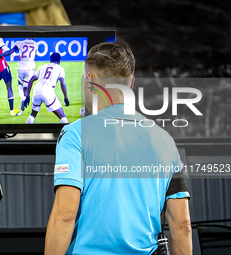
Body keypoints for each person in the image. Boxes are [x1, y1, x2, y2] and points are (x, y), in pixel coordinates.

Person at [45, 42, 192, 254]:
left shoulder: (75, 134)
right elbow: (182, 225)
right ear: (130, 84)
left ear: (90, 79)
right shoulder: (165, 140)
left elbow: (65, 214)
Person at [23, 52, 69, 124]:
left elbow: (31, 80)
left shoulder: (42, 67)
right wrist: (66, 97)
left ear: (50, 60)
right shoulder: (60, 69)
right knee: (62, 116)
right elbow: (62, 83)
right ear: (59, 61)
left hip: (36, 91)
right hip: (48, 92)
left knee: (33, 114)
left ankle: (24, 131)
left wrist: (27, 96)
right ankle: (67, 134)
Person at [1, 38, 38, 115]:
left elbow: (12, 51)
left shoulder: (20, 42)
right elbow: (34, 55)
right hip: (30, 68)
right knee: (26, 87)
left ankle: (22, 103)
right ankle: (23, 101)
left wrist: (14, 55)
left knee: (20, 85)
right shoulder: (35, 44)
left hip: (21, 67)